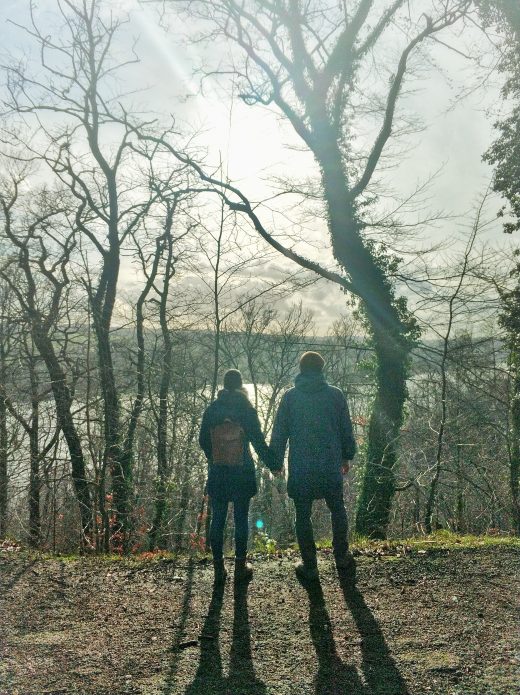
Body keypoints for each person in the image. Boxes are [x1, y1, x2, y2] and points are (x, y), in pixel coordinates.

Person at [270, 351, 357, 582]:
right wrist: (346, 456)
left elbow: (279, 433)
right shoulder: (335, 396)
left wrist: (275, 462)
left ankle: (310, 566)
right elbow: (346, 429)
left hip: (301, 466)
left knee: (302, 514)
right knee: (337, 508)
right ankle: (341, 556)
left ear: (301, 369)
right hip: (330, 464)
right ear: (321, 368)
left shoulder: (290, 398)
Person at [199, 369, 275, 585]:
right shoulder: (246, 409)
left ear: (224, 386)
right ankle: (240, 567)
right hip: (242, 473)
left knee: (218, 519)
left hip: (218, 473)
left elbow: (203, 440)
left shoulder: (212, 409)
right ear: (241, 386)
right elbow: (258, 442)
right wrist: (274, 463)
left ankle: (218, 567)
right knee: (242, 519)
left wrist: (214, 457)